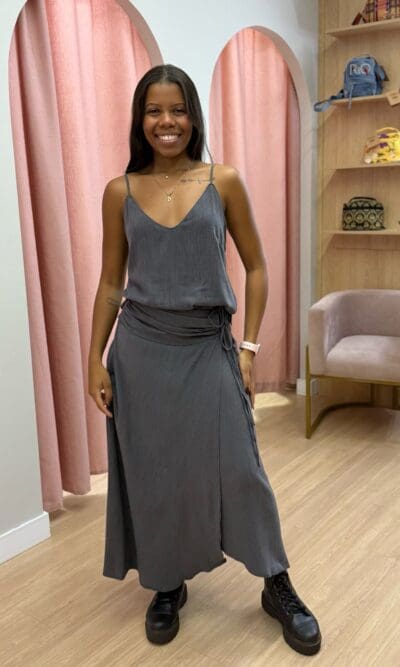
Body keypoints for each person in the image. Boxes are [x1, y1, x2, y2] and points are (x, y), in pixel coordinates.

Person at [88, 64, 321, 657]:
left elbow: (258, 267)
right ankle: (167, 582)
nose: (166, 122)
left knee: (243, 471)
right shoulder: (120, 191)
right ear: (140, 120)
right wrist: (94, 358)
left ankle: (277, 584)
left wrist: (249, 348)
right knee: (155, 473)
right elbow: (112, 282)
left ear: (193, 117)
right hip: (140, 352)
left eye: (177, 110)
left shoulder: (224, 182)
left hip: (207, 346)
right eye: (154, 111)